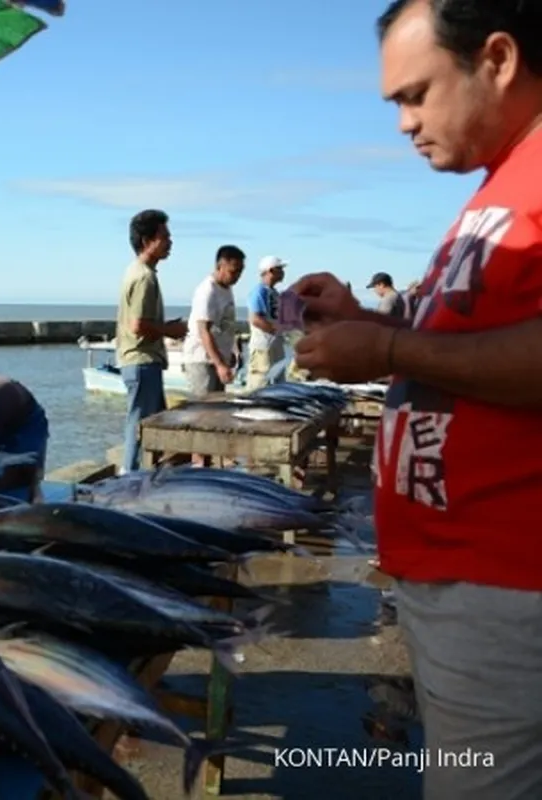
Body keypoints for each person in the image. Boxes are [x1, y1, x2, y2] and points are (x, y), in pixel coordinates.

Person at [291, 2, 542, 797]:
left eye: (414, 94)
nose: (402, 123)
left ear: (496, 59)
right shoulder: (505, 179)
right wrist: (364, 323)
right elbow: (477, 339)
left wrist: (389, 349)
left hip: (508, 589)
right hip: (461, 586)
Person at [115, 210, 187, 473]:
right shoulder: (144, 276)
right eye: (164, 236)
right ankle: (129, 476)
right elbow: (138, 326)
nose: (170, 241)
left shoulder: (135, 271)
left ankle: (148, 476)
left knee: (155, 426)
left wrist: (167, 328)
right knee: (140, 425)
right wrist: (171, 330)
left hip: (140, 362)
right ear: (147, 241)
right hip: (141, 361)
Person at [184, 246, 246, 397]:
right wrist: (219, 364)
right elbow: (204, 331)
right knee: (204, 410)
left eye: (240, 271)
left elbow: (224, 326)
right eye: (233, 271)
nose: (237, 276)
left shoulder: (226, 289)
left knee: (217, 408)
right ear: (220, 267)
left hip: (217, 359)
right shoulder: (208, 291)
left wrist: (229, 353)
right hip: (203, 360)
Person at [245, 255, 287, 390]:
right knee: (260, 384)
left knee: (278, 384)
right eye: (280, 269)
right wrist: (274, 330)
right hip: (263, 347)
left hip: (275, 345)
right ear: (270, 271)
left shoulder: (273, 293)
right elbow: (255, 318)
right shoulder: (259, 292)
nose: (283, 272)